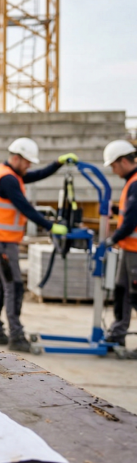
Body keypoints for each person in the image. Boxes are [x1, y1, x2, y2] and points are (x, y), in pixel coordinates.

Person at [0, 138, 78, 352]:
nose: (29, 166)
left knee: (0, 284)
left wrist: (57, 164)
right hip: (2, 241)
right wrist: (51, 227)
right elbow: (26, 208)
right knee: (13, 285)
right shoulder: (7, 179)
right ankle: (16, 336)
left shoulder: (11, 174)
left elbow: (36, 175)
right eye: (27, 162)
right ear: (16, 158)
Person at [102, 140, 137, 355]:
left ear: (123, 161)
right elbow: (128, 211)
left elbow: (131, 220)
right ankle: (118, 333)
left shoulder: (135, 183)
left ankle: (118, 333)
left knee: (135, 295)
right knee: (122, 291)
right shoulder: (131, 182)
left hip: (135, 250)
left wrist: (111, 239)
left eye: (114, 166)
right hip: (129, 249)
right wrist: (114, 208)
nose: (114, 171)